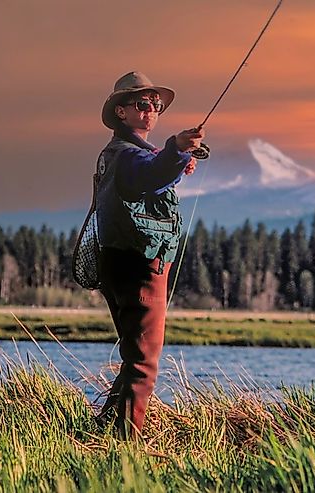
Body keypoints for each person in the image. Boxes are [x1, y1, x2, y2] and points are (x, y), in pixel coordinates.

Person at [94, 71, 203, 438]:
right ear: (121, 112)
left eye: (155, 105)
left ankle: (103, 432)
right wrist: (175, 150)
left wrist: (175, 161)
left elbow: (151, 176)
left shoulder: (124, 154)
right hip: (140, 267)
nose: (151, 111)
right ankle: (125, 446)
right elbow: (146, 175)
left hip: (120, 262)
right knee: (144, 363)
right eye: (142, 104)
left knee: (133, 358)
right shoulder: (127, 156)